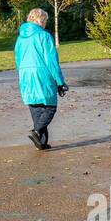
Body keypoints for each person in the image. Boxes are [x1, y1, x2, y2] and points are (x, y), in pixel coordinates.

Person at [13, 8, 68, 150]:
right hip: (41, 73)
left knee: (35, 105)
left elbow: (18, 59)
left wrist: (22, 73)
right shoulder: (44, 36)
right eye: (45, 20)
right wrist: (60, 82)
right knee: (50, 107)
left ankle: (41, 143)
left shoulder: (20, 38)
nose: (45, 23)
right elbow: (51, 61)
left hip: (25, 74)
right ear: (40, 19)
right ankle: (37, 132)